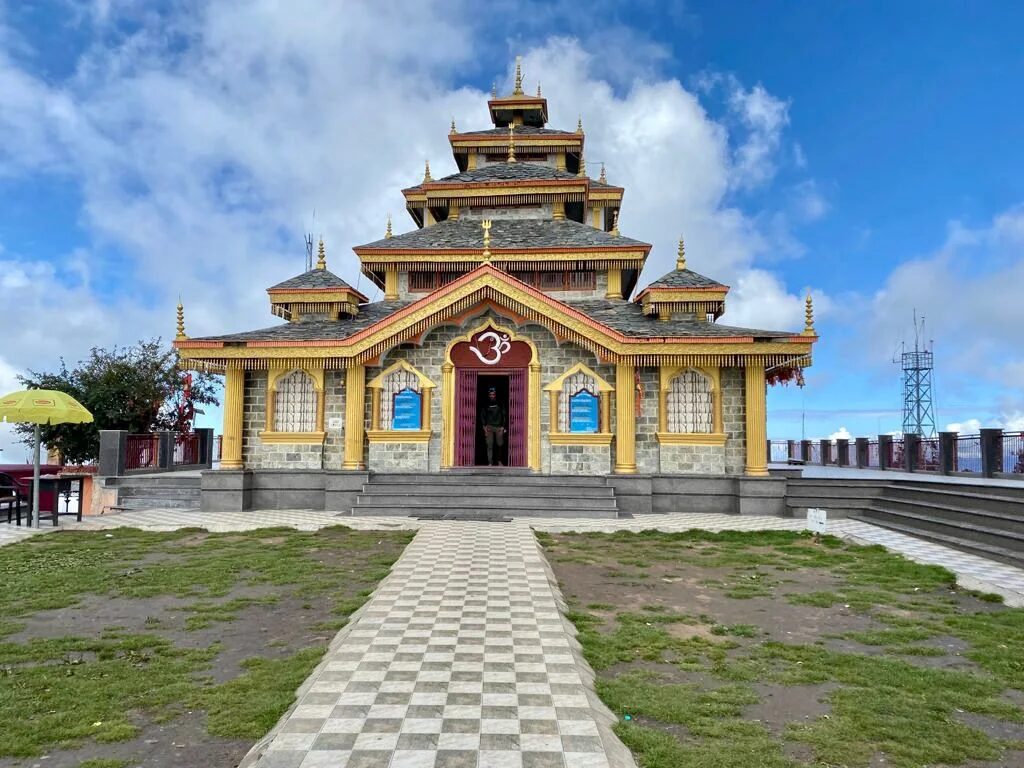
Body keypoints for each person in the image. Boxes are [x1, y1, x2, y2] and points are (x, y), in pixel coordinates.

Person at [479, 386, 507, 466]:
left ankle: (499, 460)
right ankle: (490, 462)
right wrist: (484, 426)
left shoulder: (500, 403)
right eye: (490, 394)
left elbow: (504, 414)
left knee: (500, 444)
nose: (492, 396)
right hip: (489, 427)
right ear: (489, 395)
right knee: (489, 444)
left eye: (493, 394)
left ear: (495, 394)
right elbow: (482, 415)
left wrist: (503, 426)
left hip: (498, 427)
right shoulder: (486, 403)